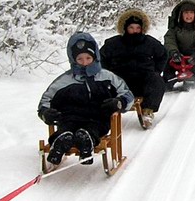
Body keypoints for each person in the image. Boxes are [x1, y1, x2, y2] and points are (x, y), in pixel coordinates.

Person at [37, 32, 134, 166]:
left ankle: (86, 142)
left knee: (92, 129)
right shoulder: (63, 81)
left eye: (88, 58)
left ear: (95, 56)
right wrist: (45, 113)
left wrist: (118, 103)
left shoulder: (107, 77)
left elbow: (128, 95)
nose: (84, 63)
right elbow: (45, 100)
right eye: (80, 59)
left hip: (97, 118)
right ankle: (60, 143)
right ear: (73, 59)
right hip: (69, 118)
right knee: (65, 128)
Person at [100, 9, 167, 128]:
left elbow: (163, 55)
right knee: (101, 84)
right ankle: (105, 114)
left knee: (157, 80)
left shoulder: (150, 42)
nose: (135, 31)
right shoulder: (113, 43)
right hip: (120, 82)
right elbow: (101, 58)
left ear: (142, 29)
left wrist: (156, 70)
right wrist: (107, 73)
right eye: (131, 27)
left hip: (143, 81)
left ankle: (147, 111)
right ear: (125, 28)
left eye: (137, 28)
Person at [163, 0, 195, 89]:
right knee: (167, 69)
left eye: (191, 13)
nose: (188, 15)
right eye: (186, 13)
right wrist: (173, 52)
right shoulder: (174, 29)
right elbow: (169, 41)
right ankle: (168, 82)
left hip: (193, 58)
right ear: (181, 14)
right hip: (176, 57)